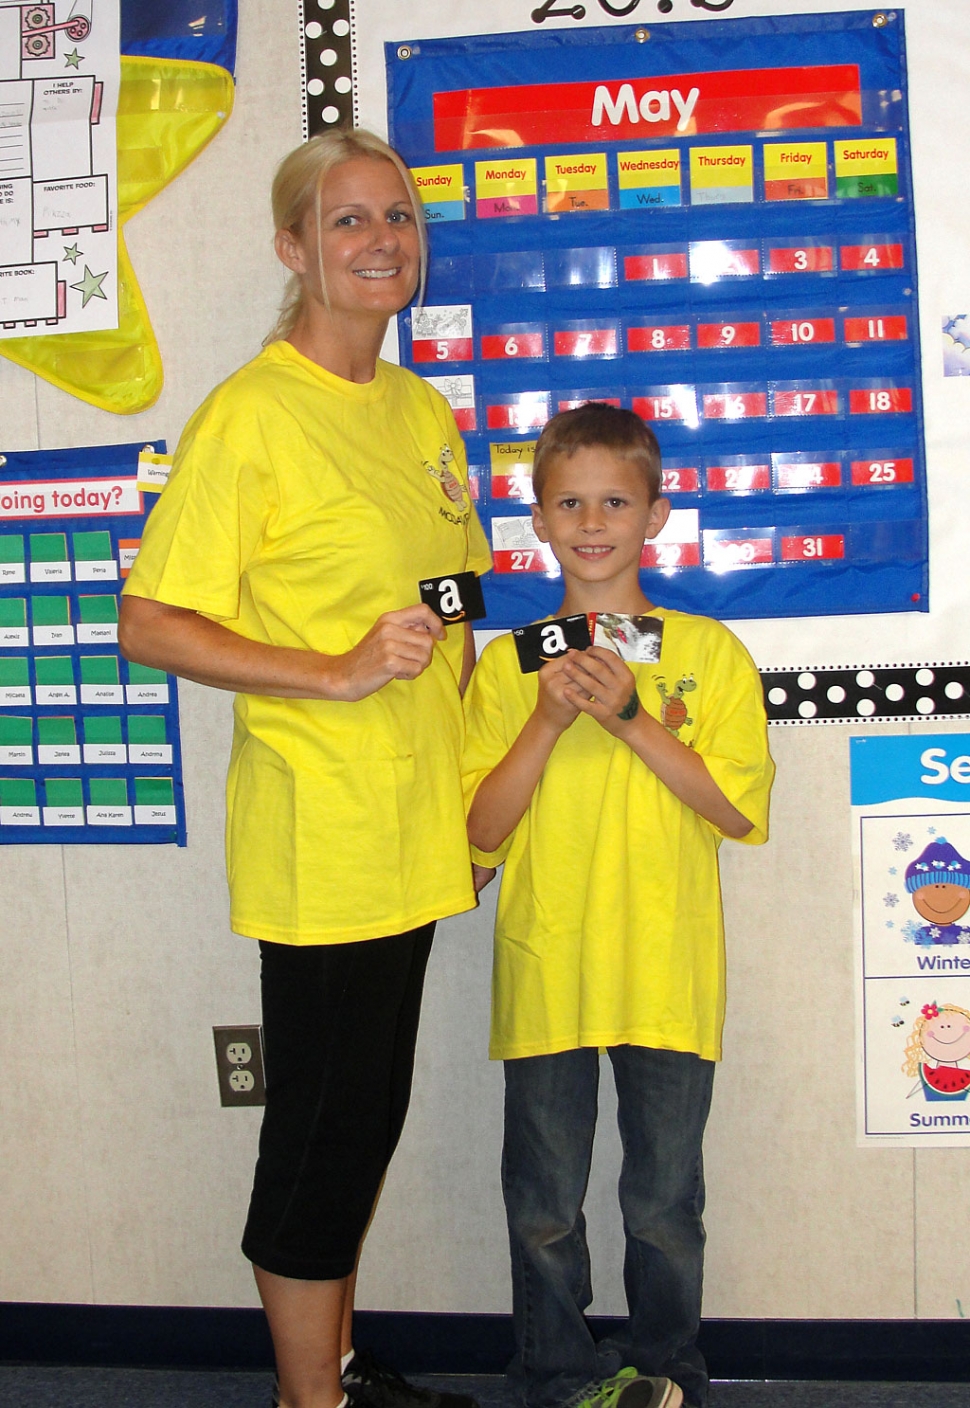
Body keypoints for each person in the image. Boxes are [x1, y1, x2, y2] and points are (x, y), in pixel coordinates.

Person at [118, 129, 491, 1408]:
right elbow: (151, 619)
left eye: (396, 216)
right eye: (345, 221)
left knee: (364, 1122)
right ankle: (305, 1400)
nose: (381, 239)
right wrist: (330, 669)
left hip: (412, 829)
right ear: (293, 248)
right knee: (323, 1143)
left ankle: (328, 1367)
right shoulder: (250, 412)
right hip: (320, 836)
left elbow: (450, 604)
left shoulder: (421, 409)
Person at [461, 404, 775, 1408]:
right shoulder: (514, 661)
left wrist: (633, 717)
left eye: (614, 501)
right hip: (548, 965)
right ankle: (553, 1374)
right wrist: (549, 719)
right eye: (569, 502)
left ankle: (666, 1372)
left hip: (665, 972)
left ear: (655, 514)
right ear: (538, 520)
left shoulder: (705, 650)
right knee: (544, 1206)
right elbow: (477, 831)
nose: (591, 522)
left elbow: (733, 808)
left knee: (662, 1206)